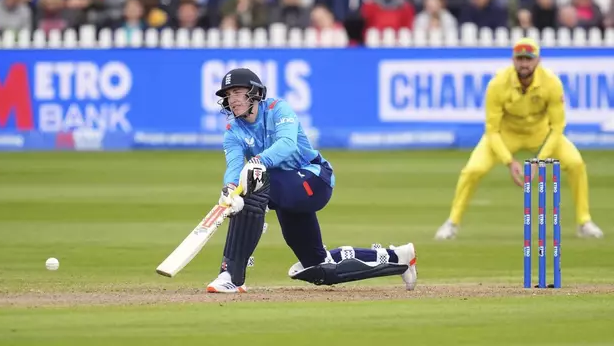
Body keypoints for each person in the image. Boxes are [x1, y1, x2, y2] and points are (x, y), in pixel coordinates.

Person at [207, 68, 418, 293]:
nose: (233, 99)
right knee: (318, 266)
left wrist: (256, 165)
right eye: (228, 95)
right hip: (284, 192)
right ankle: (399, 257)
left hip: (313, 179)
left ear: (255, 92)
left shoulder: (277, 109)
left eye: (238, 92)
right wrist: (230, 190)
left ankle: (231, 274)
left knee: (256, 182)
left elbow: (287, 144)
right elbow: (234, 166)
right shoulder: (232, 131)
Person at [434, 38, 605, 240]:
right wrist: (509, 161)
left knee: (576, 163)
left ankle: (584, 221)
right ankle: (452, 222)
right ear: (513, 60)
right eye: (520, 59)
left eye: (528, 59)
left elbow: (557, 128)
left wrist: (539, 160)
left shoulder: (551, 83)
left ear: (538, 60)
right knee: (473, 170)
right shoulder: (498, 83)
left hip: (541, 134)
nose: (524, 64)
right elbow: (492, 130)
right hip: (506, 135)